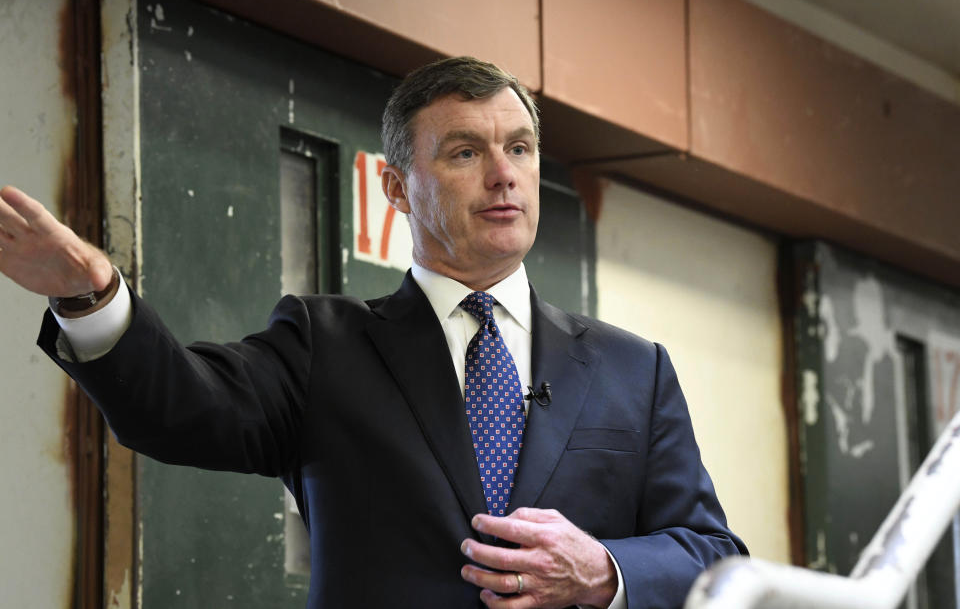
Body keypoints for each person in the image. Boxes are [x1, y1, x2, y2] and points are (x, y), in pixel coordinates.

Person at [0, 56, 746, 608]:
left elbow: (713, 556)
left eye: (519, 148)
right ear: (396, 188)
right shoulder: (326, 345)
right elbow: (180, 409)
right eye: (465, 152)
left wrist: (604, 571)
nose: (503, 175)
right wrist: (90, 293)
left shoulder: (633, 368)